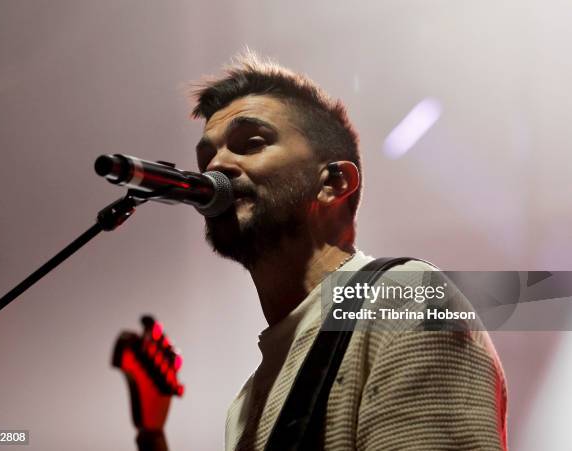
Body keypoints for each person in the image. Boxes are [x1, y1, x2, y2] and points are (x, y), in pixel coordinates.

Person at [129, 51, 508, 450]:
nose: (217, 166)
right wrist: (152, 433)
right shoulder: (247, 402)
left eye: (251, 143)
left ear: (334, 182)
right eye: (207, 157)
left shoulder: (404, 300)